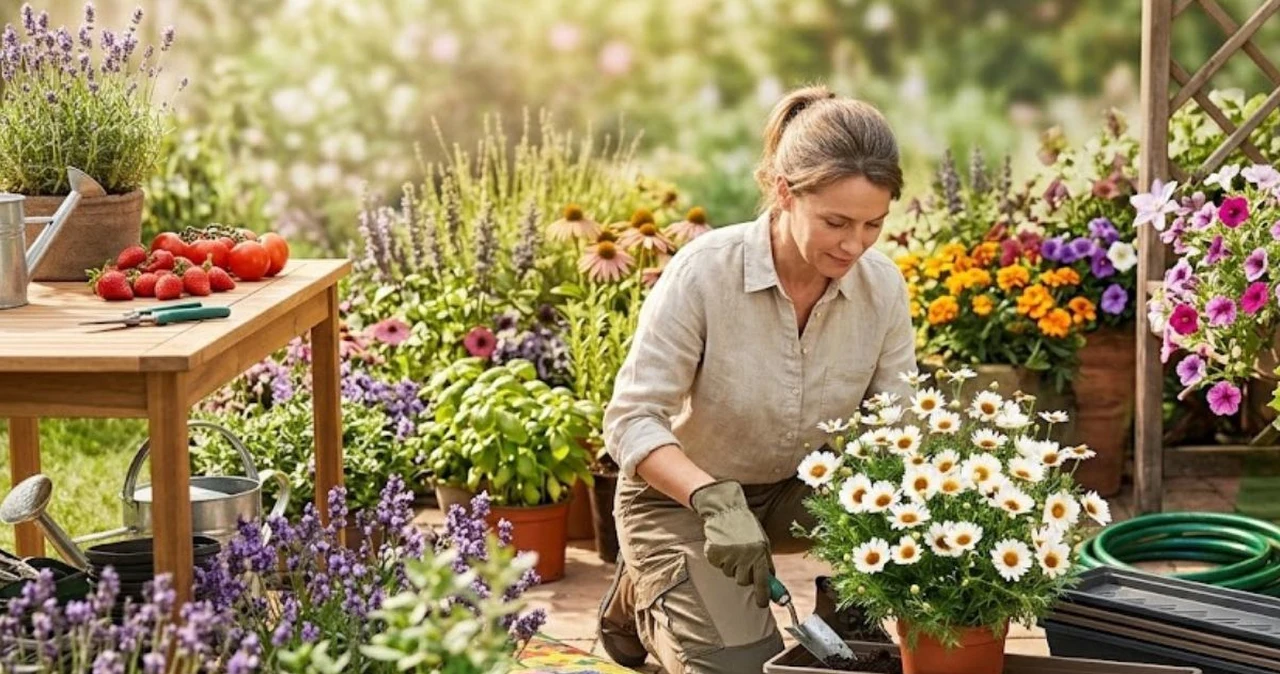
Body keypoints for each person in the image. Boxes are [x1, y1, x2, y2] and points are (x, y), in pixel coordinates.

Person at [595, 84, 918, 673]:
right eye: (836, 222)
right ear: (783, 191)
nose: (855, 245)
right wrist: (713, 501)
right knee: (744, 668)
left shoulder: (882, 287)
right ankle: (646, 587)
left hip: (799, 489)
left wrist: (878, 566)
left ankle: (839, 612)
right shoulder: (704, 273)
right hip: (684, 497)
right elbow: (630, 419)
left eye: (873, 224)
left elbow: (897, 426)